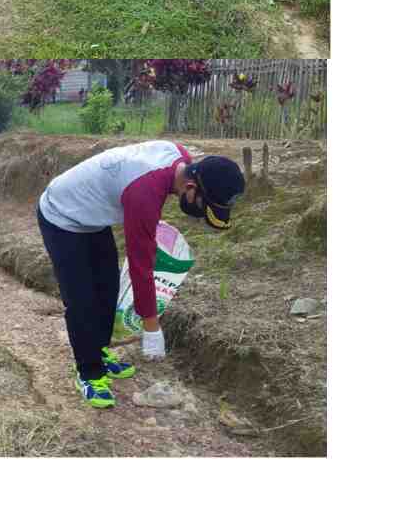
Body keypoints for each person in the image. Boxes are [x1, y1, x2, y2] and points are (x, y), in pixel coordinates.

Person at [36, 141, 245, 408]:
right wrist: (152, 327)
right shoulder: (144, 193)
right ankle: (88, 373)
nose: (201, 213)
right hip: (61, 214)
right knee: (81, 300)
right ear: (190, 188)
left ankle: (99, 351)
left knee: (107, 288)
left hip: (92, 216)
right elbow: (141, 266)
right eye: (205, 206)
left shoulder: (181, 158)